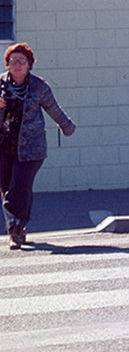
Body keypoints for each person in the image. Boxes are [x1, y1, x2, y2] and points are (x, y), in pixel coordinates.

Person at [1, 43, 76, 250]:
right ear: (7, 64)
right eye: (13, 61)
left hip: (31, 148)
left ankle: (14, 232)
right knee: (9, 189)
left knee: (18, 187)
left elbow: (54, 108)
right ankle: (20, 226)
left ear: (29, 65)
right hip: (3, 145)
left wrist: (67, 127)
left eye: (21, 61)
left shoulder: (39, 86)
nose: (17, 65)